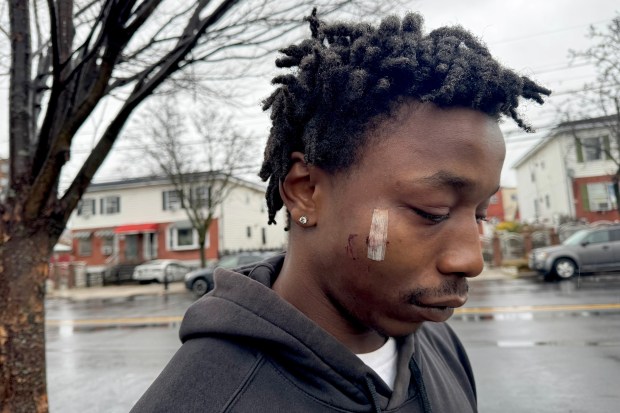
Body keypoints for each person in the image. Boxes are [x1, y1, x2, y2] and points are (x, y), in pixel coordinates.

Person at [131, 10, 549, 413]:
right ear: (306, 191)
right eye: (432, 211)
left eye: (479, 214)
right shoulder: (203, 401)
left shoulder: (441, 346)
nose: (471, 260)